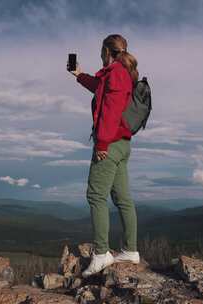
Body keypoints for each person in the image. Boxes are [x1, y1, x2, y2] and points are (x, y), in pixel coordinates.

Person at [67, 34, 140, 277]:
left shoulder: (116, 73)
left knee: (96, 195)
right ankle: (130, 250)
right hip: (121, 143)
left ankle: (101, 254)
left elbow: (110, 110)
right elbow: (99, 88)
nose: (99, 55)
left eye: (101, 51)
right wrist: (79, 75)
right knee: (122, 198)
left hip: (111, 143)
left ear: (107, 51)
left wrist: (102, 143)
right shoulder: (117, 73)